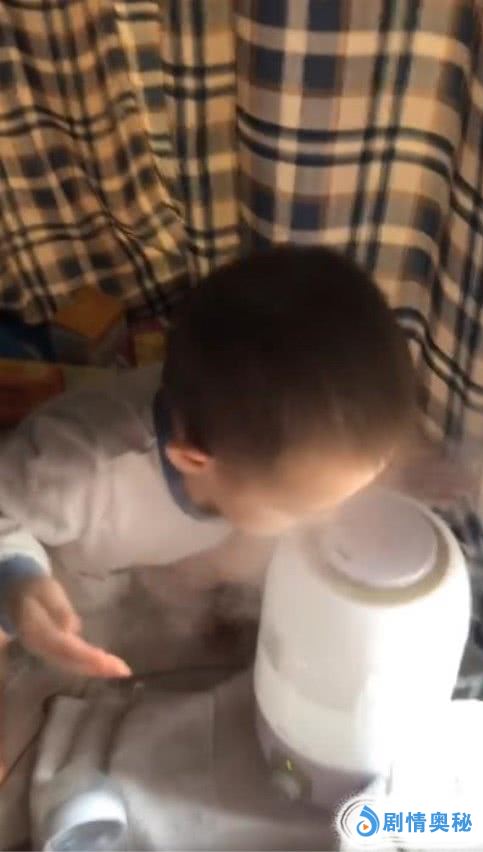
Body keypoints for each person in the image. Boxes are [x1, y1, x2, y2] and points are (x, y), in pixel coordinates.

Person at [0, 245, 415, 682]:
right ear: (194, 460)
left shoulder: (241, 431)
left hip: (160, 568)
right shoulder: (78, 472)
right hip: (73, 589)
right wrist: (19, 587)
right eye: (299, 508)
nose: (328, 517)